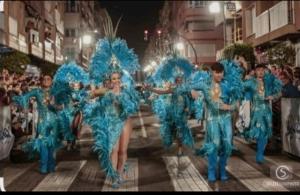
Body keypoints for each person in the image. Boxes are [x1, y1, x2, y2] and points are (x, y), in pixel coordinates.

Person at [191, 61, 243, 182]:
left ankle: (223, 170)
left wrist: (230, 107)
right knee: (215, 144)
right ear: (211, 72)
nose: (219, 75)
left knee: (227, 144)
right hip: (212, 119)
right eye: (217, 72)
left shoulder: (228, 85)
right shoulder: (205, 84)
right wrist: (192, 90)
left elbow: (237, 100)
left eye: (221, 72)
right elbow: (187, 85)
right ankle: (211, 171)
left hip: (226, 119)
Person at [13, 75, 61, 174]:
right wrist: (25, 107)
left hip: (54, 121)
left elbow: (60, 107)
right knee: (43, 143)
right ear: (41, 81)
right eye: (44, 79)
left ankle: (51, 166)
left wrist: (53, 104)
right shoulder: (37, 91)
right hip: (42, 121)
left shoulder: (56, 92)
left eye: (48, 79)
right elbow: (25, 96)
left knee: (52, 144)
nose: (46, 80)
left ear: (52, 81)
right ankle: (43, 167)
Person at [244, 64, 282, 164]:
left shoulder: (269, 81)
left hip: (267, 111)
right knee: (258, 132)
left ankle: (260, 153)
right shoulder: (251, 82)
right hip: (256, 110)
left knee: (265, 134)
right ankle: (259, 152)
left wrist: (272, 97)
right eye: (258, 70)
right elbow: (241, 88)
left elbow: (279, 92)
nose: (261, 72)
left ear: (265, 71)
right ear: (255, 71)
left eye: (262, 70)